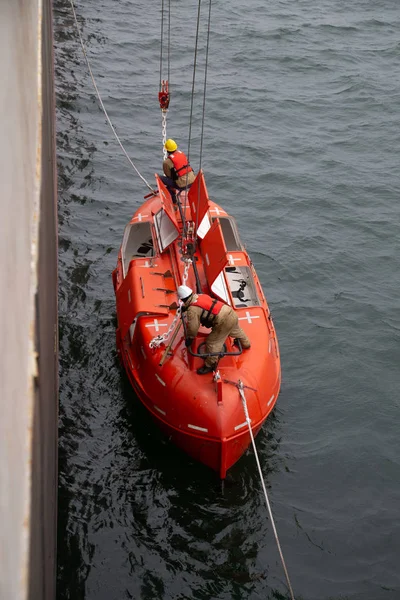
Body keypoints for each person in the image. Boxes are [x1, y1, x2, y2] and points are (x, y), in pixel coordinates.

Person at [177, 285, 251, 375]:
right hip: (230, 313)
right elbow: (201, 305)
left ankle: (210, 364)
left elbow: (193, 327)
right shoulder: (200, 296)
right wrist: (187, 307)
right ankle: (246, 343)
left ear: (182, 299)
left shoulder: (192, 310)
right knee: (235, 330)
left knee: (212, 342)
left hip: (222, 322)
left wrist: (190, 338)